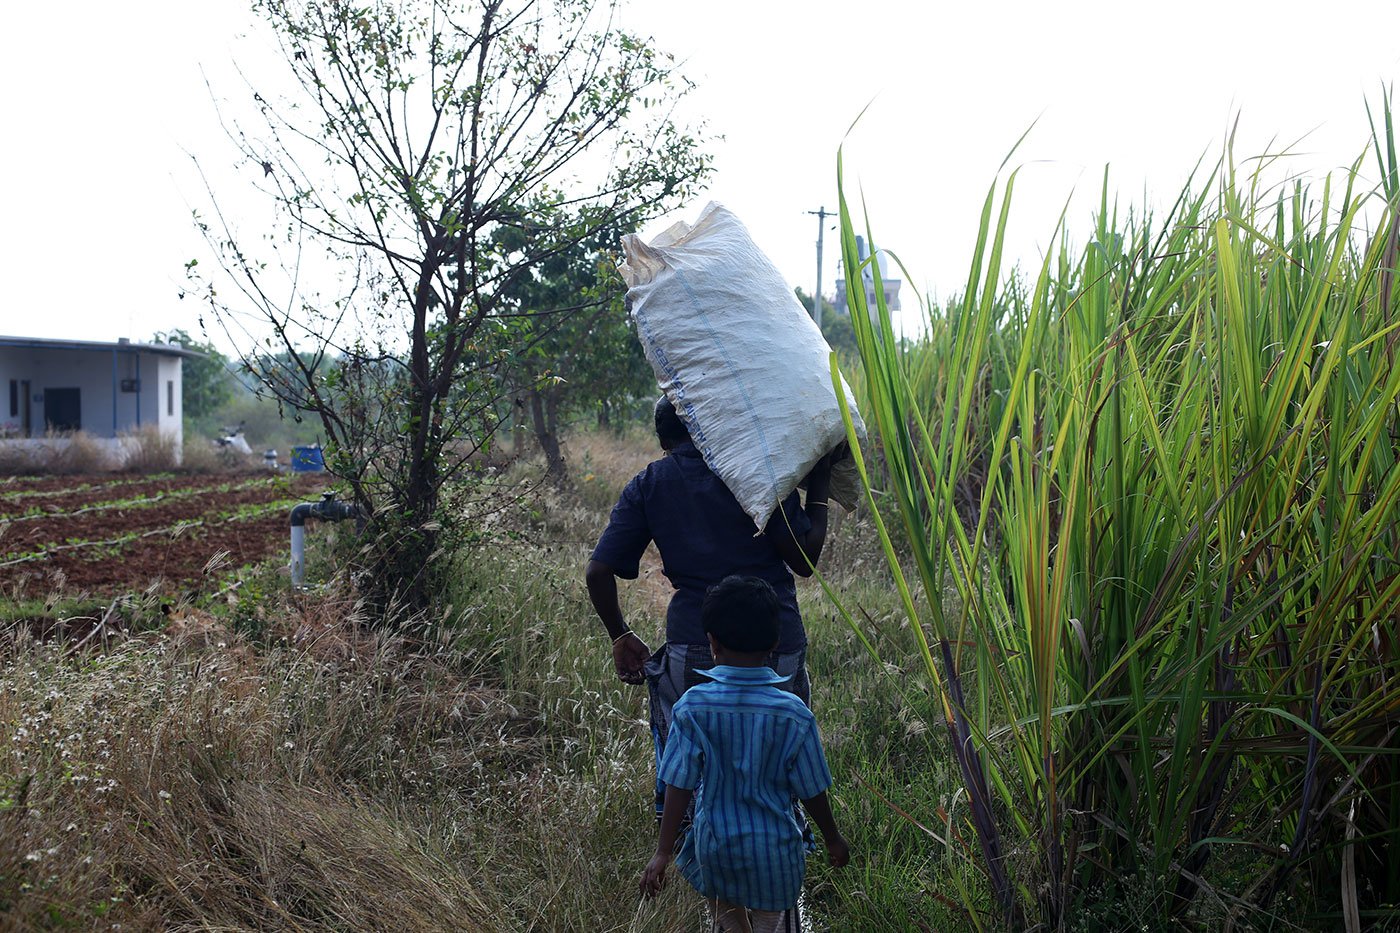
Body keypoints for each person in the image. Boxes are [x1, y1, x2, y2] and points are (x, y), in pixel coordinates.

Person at [585, 396, 836, 819]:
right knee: (780, 749)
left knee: (692, 754)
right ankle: (781, 842)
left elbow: (598, 571)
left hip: (694, 642)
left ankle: (692, 842)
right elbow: (804, 560)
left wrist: (621, 634)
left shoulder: (649, 483)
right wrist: (822, 478)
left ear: (665, 440)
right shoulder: (755, 474)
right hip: (775, 641)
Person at [639, 576, 850, 932]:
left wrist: (663, 852)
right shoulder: (793, 713)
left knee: (728, 921)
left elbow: (677, 783)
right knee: (770, 923)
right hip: (777, 853)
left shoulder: (693, 708)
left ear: (713, 643)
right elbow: (812, 789)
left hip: (716, 850)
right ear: (775, 643)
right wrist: (831, 836)